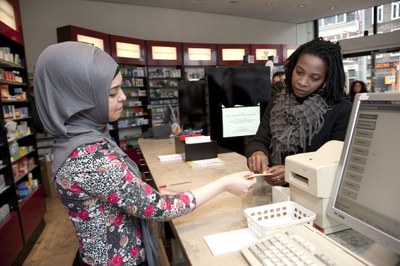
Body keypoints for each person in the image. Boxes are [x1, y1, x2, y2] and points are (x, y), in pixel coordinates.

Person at [33, 42, 256, 266]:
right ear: (78, 99)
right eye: (112, 93)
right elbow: (161, 209)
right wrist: (225, 183)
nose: (123, 98)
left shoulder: (84, 137)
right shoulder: (88, 157)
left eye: (120, 88)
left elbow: (124, 193)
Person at [245, 38, 352, 186]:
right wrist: (257, 153)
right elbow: (259, 140)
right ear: (292, 68)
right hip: (275, 191)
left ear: (326, 80)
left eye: (314, 78)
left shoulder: (341, 111)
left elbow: (334, 164)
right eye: (299, 72)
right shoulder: (277, 101)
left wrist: (292, 171)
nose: (302, 82)